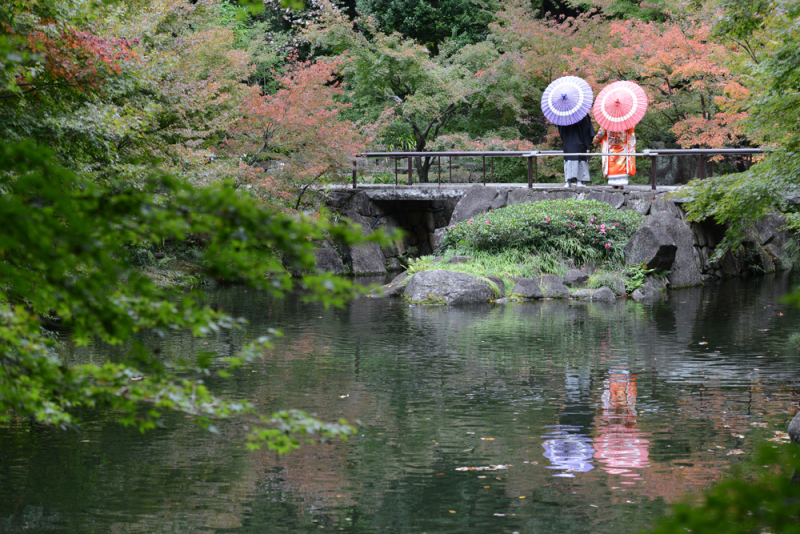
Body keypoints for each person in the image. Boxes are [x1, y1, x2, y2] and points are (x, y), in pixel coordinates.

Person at [558, 114, 595, 188]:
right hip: (579, 142)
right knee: (580, 161)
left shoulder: (563, 114)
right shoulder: (582, 114)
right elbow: (587, 129)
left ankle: (568, 182)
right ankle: (579, 181)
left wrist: (565, 139)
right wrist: (586, 142)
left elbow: (561, 130)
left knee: (568, 161)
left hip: (568, 142)